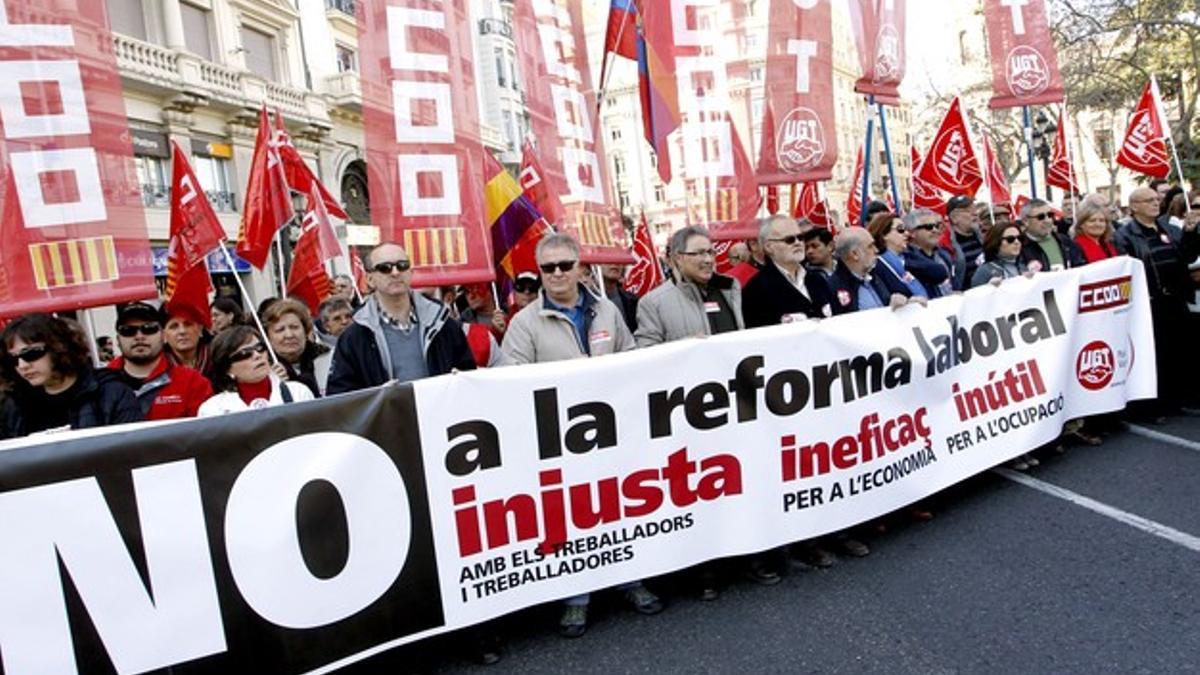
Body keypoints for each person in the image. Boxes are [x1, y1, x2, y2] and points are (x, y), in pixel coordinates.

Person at [501, 233, 659, 637]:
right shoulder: (524, 323)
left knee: (620, 504)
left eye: (564, 265)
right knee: (572, 513)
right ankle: (576, 598)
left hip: (611, 429)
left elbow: (629, 357)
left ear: (580, 268)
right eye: (547, 268)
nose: (556, 274)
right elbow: (510, 380)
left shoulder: (607, 309)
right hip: (560, 439)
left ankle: (632, 580)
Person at [326, 243, 475, 395]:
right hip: (386, 418)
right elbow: (340, 396)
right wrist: (376, 399)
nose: (395, 272)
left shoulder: (443, 324)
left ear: (410, 272)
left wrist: (459, 381)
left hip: (439, 415)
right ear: (370, 279)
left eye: (402, 265)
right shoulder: (354, 336)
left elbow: (468, 374)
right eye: (385, 268)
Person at [1114, 187, 1200, 416]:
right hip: (1152, 300)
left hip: (1176, 297)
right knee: (1156, 353)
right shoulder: (1125, 235)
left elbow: (1186, 256)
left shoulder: (1167, 229)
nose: (1156, 203)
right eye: (1149, 200)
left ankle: (1176, 398)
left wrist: (1190, 233)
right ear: (1134, 206)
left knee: (1178, 350)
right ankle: (1154, 405)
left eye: (1156, 199)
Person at [1, 313, 142, 438]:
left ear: (60, 348)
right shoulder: (14, 405)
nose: (22, 365)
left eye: (31, 353)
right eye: (12, 358)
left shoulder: (110, 393)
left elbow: (134, 451)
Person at [636, 225, 743, 345]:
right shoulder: (653, 303)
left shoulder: (729, 289)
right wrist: (685, 347)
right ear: (678, 258)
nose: (708, 260)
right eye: (700, 253)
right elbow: (647, 354)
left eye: (710, 252)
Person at [108, 301, 212, 420]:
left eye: (149, 329)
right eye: (128, 330)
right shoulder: (100, 385)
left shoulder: (193, 383)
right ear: (117, 339)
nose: (139, 336)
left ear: (163, 336)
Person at [742, 215, 834, 328]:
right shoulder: (756, 290)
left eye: (800, 237)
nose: (798, 243)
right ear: (769, 247)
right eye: (789, 240)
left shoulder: (817, 279)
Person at [199, 326, 314, 416]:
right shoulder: (212, 409)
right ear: (226, 368)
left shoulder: (298, 393)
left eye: (260, 348)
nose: (257, 355)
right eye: (245, 353)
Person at [827, 228, 914, 315]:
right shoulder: (833, 287)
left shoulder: (876, 275)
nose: (876, 250)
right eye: (870, 246)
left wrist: (906, 304)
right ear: (855, 254)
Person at [262, 299, 330, 397]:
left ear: (306, 330)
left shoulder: (328, 358)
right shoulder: (263, 369)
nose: (289, 335)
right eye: (280, 330)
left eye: (294, 327)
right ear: (268, 337)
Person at [868, 212, 929, 297]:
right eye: (900, 229)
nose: (906, 233)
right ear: (884, 235)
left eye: (906, 229)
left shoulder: (909, 256)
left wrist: (906, 263)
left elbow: (938, 271)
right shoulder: (877, 265)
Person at [902, 208, 959, 297]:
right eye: (928, 227)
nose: (935, 230)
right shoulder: (907, 260)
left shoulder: (944, 255)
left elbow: (954, 284)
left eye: (937, 226)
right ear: (912, 233)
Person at [1018, 199, 1086, 273]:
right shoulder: (1019, 247)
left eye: (1050, 215)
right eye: (1041, 217)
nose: (1047, 220)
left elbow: (1080, 269)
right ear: (1025, 221)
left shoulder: (1065, 241)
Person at [971, 223, 1029, 288]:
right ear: (996, 242)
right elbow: (976, 296)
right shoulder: (984, 271)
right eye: (1010, 239)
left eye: (1020, 238)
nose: (1017, 242)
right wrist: (989, 289)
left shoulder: (1024, 266)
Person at [947, 195, 985, 285]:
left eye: (974, 209)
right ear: (954, 218)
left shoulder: (984, 237)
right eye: (968, 211)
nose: (975, 214)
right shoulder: (947, 246)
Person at [163, 307, 212, 377]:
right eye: (174, 326)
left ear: (200, 330)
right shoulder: (157, 367)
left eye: (188, 324)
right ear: (164, 336)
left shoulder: (217, 359)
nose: (182, 331)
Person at [600, 263, 639, 334]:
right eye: (607, 258)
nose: (614, 264)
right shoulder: (586, 301)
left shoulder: (633, 301)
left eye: (619, 260)